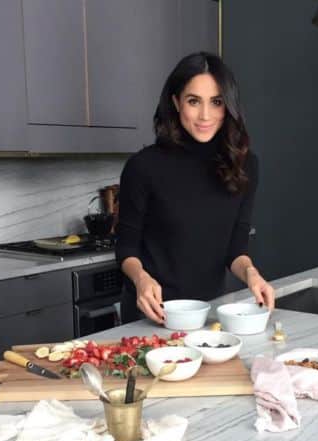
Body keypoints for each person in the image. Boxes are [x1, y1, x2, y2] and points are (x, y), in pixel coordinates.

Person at [116, 52, 275, 325]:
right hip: (152, 314)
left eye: (216, 102)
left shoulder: (245, 165)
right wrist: (141, 280)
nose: (205, 115)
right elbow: (126, 248)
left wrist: (251, 273)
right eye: (193, 101)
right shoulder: (143, 167)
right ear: (176, 102)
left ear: (228, 106)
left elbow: (235, 248)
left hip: (209, 311)